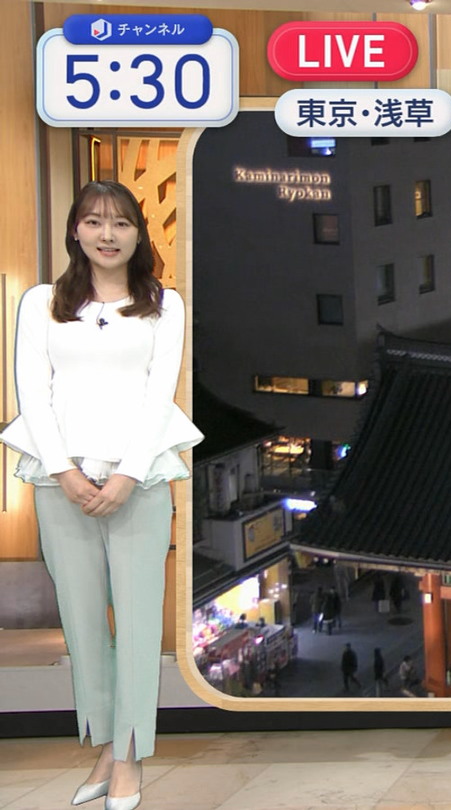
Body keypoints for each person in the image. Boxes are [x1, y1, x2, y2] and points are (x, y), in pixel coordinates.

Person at [0, 180, 203, 810]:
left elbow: (160, 394)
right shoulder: (41, 303)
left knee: (138, 625)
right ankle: (107, 747)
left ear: (139, 233)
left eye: (120, 223)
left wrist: (126, 476)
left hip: (138, 482)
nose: (107, 234)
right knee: (83, 624)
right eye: (93, 222)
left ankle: (130, 758)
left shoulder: (165, 306)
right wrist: (64, 472)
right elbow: (32, 392)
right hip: (59, 481)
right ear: (75, 231)